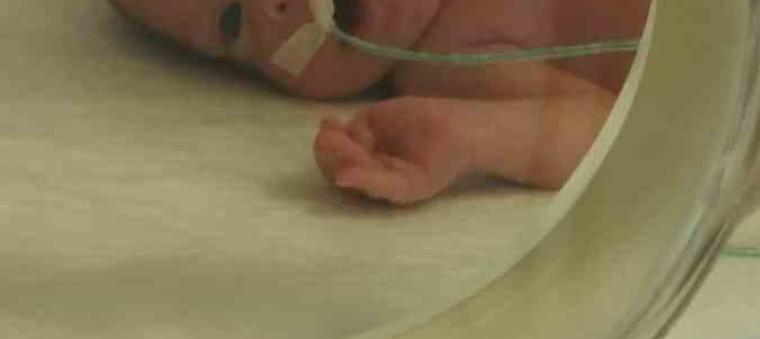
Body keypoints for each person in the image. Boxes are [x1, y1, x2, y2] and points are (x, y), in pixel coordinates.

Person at [109, 0, 648, 205]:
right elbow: (632, 133)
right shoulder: (448, 57)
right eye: (232, 19)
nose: (273, 6)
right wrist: (470, 135)